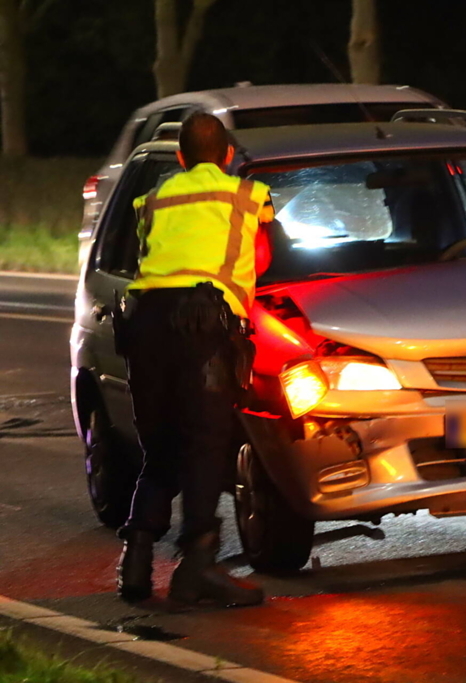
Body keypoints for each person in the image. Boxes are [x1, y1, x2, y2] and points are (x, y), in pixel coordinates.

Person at [115, 112, 275, 605]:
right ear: (228, 156)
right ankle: (197, 569)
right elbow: (266, 257)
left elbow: (148, 257)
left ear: (180, 157)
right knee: (205, 444)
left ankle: (136, 561)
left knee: (160, 446)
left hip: (146, 325)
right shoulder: (247, 195)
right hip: (202, 325)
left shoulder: (155, 198)